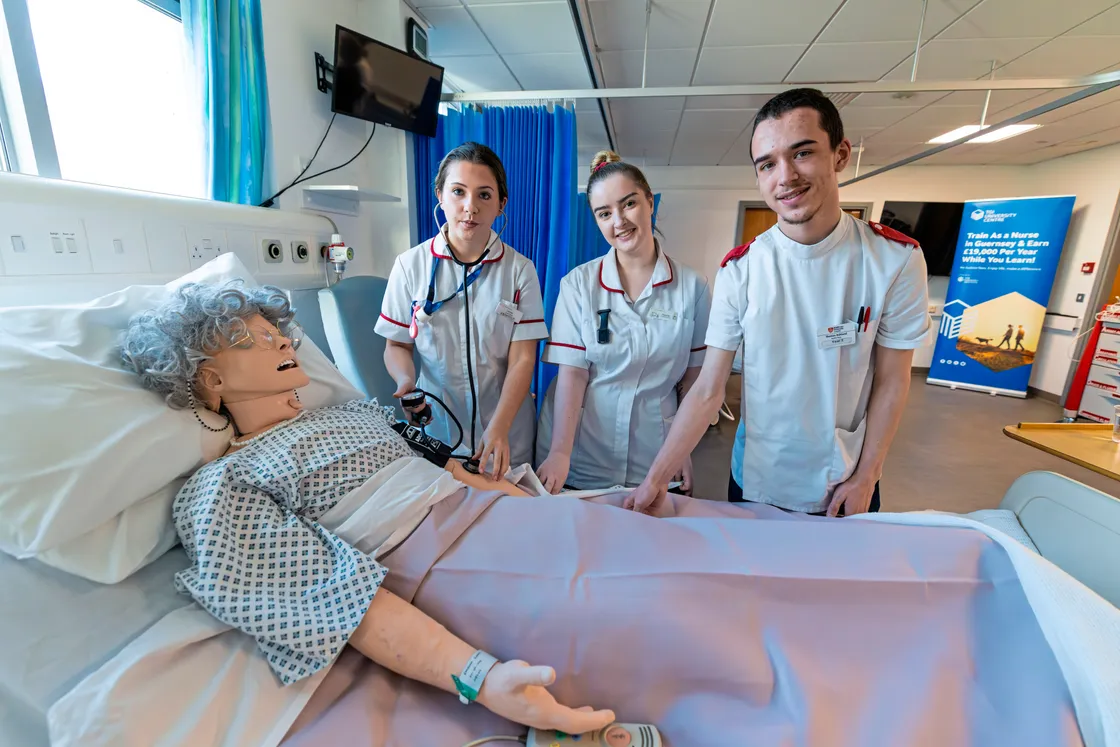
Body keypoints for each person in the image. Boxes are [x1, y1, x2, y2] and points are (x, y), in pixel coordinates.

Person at [120, 280, 612, 735]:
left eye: (279, 334)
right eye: (256, 339)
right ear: (211, 380)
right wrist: (481, 679)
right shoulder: (226, 483)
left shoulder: (356, 413)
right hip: (447, 560)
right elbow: (338, 596)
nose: (285, 343)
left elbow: (457, 471)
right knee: (618, 617)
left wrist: (556, 514)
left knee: (624, 540)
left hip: (504, 517)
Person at [627, 88, 931, 518]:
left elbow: (893, 381)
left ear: (840, 155)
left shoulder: (892, 260)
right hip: (757, 478)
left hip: (845, 480)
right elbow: (709, 389)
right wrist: (656, 479)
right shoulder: (741, 270)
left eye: (802, 153)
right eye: (767, 164)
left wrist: (867, 475)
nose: (785, 176)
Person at [535, 151, 710, 493]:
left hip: (655, 455)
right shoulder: (578, 285)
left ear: (649, 201)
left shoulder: (693, 287)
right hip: (582, 451)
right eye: (604, 213)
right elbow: (573, 374)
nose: (619, 221)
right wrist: (560, 453)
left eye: (629, 204)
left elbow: (694, 378)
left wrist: (681, 449)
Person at [375, 142, 548, 479]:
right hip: (438, 427)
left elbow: (523, 359)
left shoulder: (519, 270)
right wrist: (406, 381)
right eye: (458, 192)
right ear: (440, 195)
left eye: (484, 195)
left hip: (507, 430)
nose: (470, 207)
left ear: (501, 204)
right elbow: (396, 344)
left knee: (511, 506)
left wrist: (499, 427)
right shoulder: (410, 266)